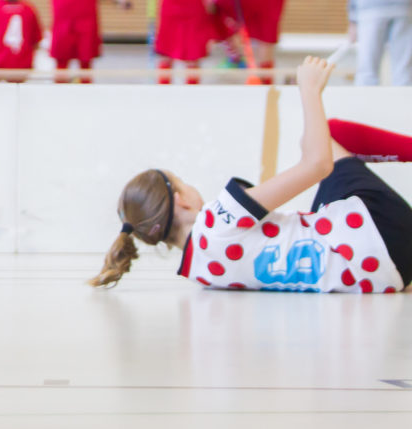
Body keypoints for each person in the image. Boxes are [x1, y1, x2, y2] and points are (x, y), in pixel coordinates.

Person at [90, 56, 412, 293]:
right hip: (382, 236)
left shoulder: (199, 271)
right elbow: (318, 165)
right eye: (182, 182)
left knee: (314, 160)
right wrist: (309, 90)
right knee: (328, 134)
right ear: (181, 200)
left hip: (379, 276)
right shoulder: (218, 219)